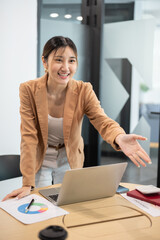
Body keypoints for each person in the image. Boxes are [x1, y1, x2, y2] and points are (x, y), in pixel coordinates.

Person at [3, 36, 151, 201]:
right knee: (40, 202)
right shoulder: (28, 90)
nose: (66, 68)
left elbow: (101, 120)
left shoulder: (83, 90)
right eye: (59, 60)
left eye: (71, 61)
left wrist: (119, 136)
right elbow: (29, 137)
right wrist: (27, 183)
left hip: (69, 157)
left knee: (69, 203)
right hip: (41, 158)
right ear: (44, 62)